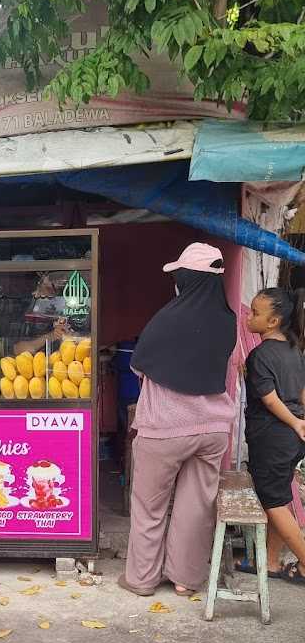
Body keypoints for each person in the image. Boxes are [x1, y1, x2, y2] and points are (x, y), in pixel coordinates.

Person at [119, 242, 237, 597]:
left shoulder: (167, 318)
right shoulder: (228, 321)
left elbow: (138, 365)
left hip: (165, 430)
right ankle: (186, 580)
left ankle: (141, 579)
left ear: (185, 280)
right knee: (195, 509)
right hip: (215, 428)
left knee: (150, 508)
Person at [243, 286, 305, 584]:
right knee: (278, 496)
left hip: (273, 438)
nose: (248, 317)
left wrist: (294, 422)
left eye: (255, 313)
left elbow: (269, 399)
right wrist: (300, 422)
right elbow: (302, 393)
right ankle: (270, 562)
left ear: (273, 322)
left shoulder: (260, 356)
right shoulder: (294, 350)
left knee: (274, 502)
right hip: (291, 440)